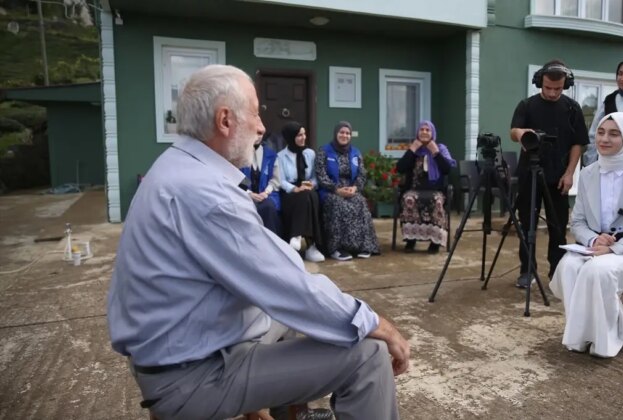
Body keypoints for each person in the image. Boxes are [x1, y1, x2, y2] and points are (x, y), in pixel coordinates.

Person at [106, 65, 410, 420]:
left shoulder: (177, 166)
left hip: (178, 352)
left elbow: (277, 270)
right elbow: (291, 290)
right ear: (225, 121)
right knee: (369, 354)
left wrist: (301, 282)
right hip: (191, 378)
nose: (262, 126)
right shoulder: (205, 193)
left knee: (288, 313)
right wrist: (380, 325)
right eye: (254, 112)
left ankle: (286, 414)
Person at [549, 112, 623, 358]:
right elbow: (577, 221)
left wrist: (612, 248)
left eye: (614, 133)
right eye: (600, 132)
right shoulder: (588, 172)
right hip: (593, 244)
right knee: (567, 267)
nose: (604, 139)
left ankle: (607, 339)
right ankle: (581, 336)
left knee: (596, 271)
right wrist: (593, 240)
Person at [510, 59, 589, 288]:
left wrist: (570, 173)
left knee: (557, 226)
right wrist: (522, 133)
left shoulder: (573, 108)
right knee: (527, 226)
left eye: (558, 88)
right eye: (548, 88)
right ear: (539, 83)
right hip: (529, 173)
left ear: (565, 84)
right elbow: (514, 130)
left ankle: (557, 271)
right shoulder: (526, 105)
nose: (553, 92)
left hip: (558, 176)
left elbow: (578, 144)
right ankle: (527, 271)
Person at [316, 121, 380, 261]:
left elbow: (362, 174)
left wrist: (355, 187)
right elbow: (321, 174)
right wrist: (336, 189)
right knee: (339, 205)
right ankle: (337, 249)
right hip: (331, 191)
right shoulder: (324, 151)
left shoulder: (355, 152)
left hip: (351, 189)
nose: (344, 135)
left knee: (360, 202)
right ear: (336, 134)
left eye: (347, 133)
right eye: (341, 132)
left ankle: (364, 246)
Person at [396, 120, 456, 254]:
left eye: (427, 130)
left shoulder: (440, 148)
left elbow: (447, 170)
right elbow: (400, 168)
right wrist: (412, 149)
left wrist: (435, 152)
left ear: (432, 133)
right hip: (414, 189)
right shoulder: (414, 150)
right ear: (417, 132)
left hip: (436, 190)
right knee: (408, 198)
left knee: (437, 201)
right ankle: (411, 240)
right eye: (421, 129)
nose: (424, 132)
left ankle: (435, 242)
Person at [277, 121, 325, 263]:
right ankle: (311, 246)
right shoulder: (281, 156)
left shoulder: (310, 153)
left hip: (308, 190)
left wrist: (311, 185)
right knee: (305, 197)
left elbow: (315, 177)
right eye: (299, 135)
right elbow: (281, 180)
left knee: (309, 196)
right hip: (290, 193)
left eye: (304, 134)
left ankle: (297, 236)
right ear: (291, 137)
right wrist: (295, 188)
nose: (303, 138)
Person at [239, 134, 281, 236]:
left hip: (267, 194)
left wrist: (266, 192)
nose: (258, 137)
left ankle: (273, 240)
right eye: (255, 133)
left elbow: (275, 180)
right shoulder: (240, 154)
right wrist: (249, 193)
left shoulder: (270, 154)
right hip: (245, 194)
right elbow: (238, 176)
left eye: (260, 134)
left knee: (268, 207)